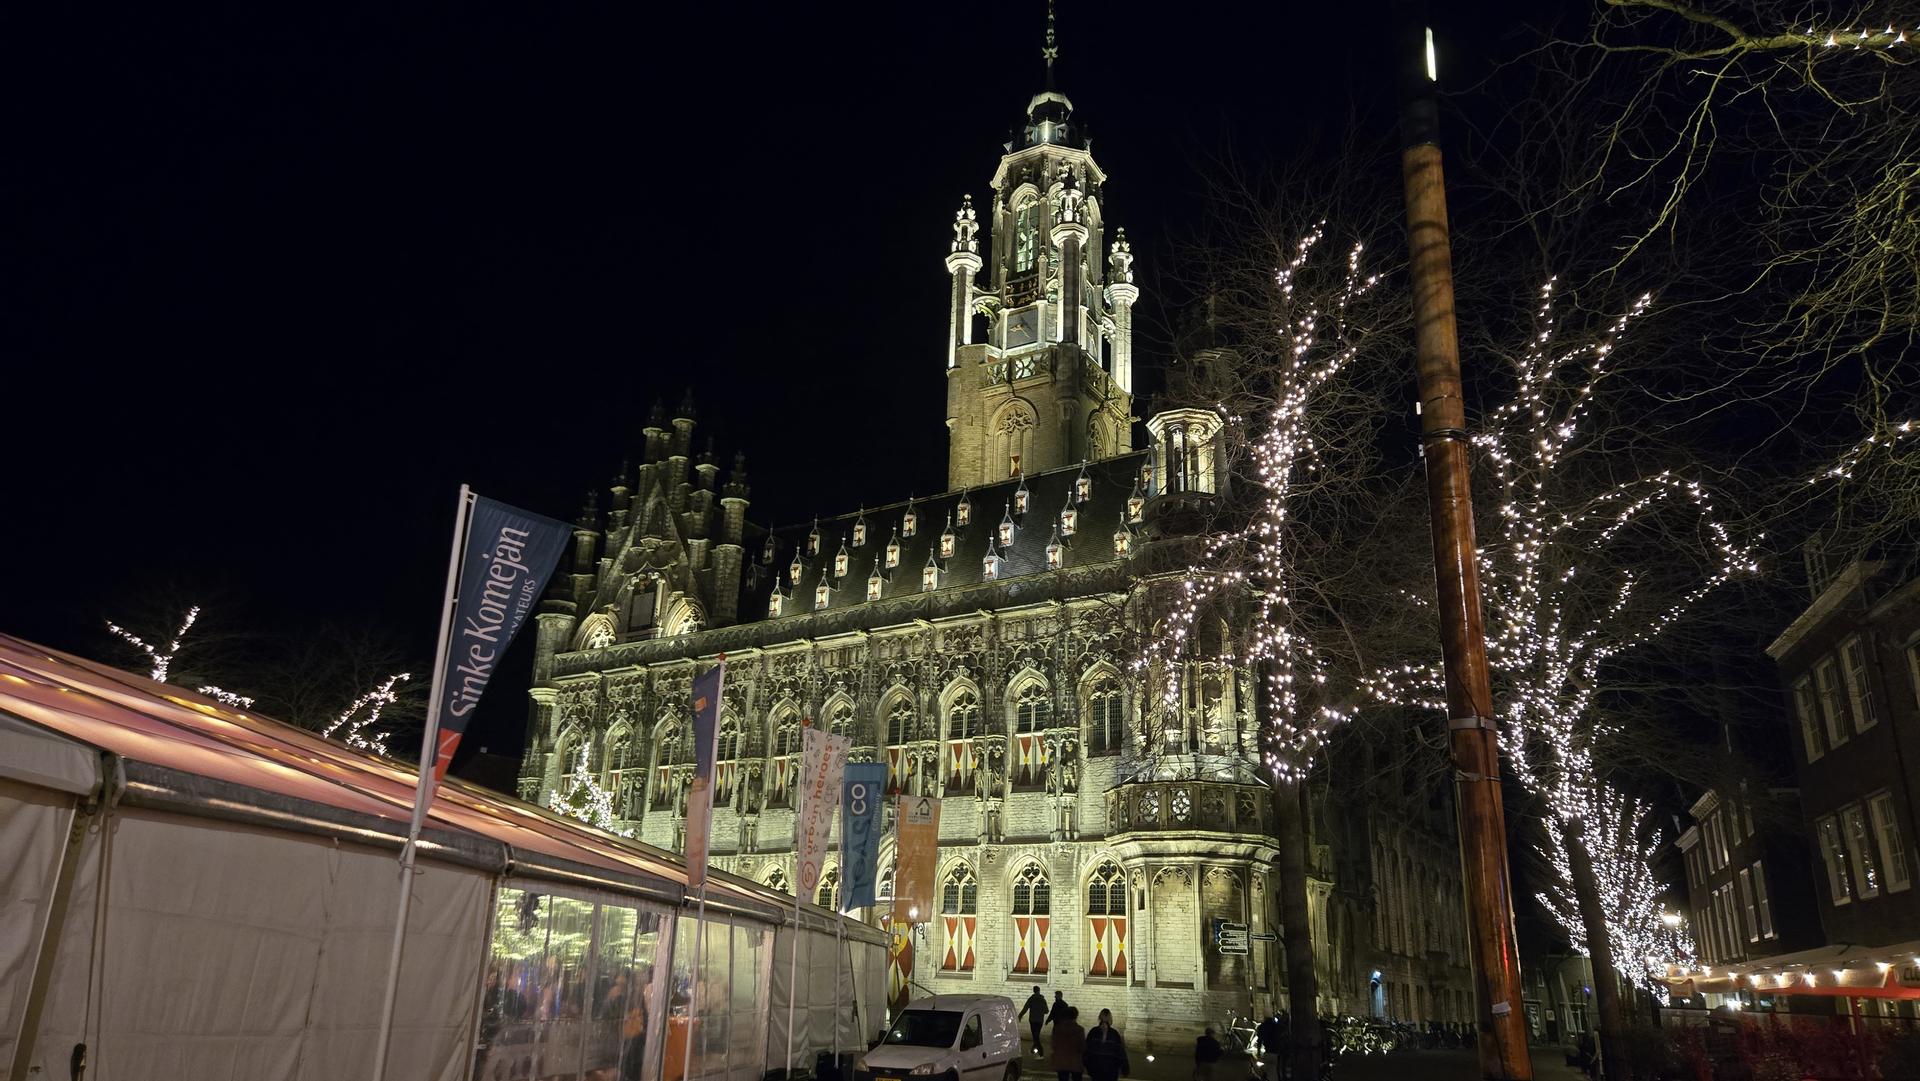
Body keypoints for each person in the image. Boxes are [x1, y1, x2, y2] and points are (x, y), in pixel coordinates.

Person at [1083, 1009, 1129, 1081]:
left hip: (1095, 1069)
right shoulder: (1114, 1034)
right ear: (1110, 1019)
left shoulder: (1093, 1032)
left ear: (1099, 1018)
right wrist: (1125, 1069)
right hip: (1111, 1070)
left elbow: (1086, 1050)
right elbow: (1120, 1053)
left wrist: (1087, 1065)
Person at [1051, 1005, 1086, 1081]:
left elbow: (1054, 1045)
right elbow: (1082, 1047)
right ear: (1075, 1016)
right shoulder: (1079, 1030)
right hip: (1075, 1062)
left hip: (1061, 1061)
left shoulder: (1057, 1029)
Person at [1021, 986, 1049, 1054]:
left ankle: (1040, 1051)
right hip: (1040, 1020)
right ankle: (1034, 1049)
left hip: (1033, 1020)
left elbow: (1025, 1008)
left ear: (1033, 991)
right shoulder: (1042, 1000)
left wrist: (1020, 1015)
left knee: (1035, 1035)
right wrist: (1040, 1011)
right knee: (1036, 1035)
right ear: (1039, 991)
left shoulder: (1031, 999)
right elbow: (1046, 1011)